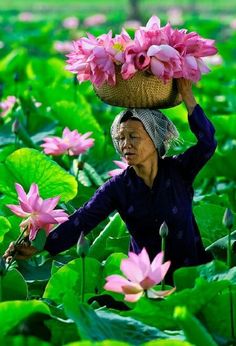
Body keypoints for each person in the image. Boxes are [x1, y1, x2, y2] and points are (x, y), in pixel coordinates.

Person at [4, 79, 217, 283]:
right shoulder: (118, 187)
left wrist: (187, 95)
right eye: (121, 139)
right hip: (144, 283)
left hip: (193, 275)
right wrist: (43, 246)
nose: (125, 145)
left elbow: (207, 143)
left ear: (155, 140)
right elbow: (83, 219)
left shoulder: (178, 169)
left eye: (133, 137)